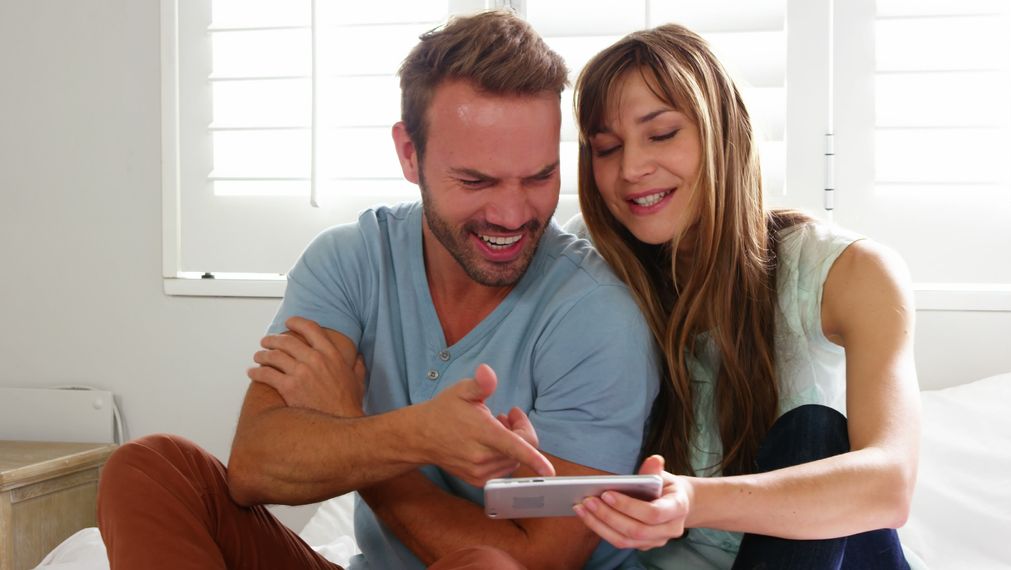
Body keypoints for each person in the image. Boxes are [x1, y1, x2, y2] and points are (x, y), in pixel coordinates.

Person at [96, 11, 659, 570]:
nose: (512, 214)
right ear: (409, 153)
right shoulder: (349, 261)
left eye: (539, 177)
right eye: (475, 180)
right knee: (152, 467)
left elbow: (540, 559)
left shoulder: (596, 313)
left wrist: (359, 426)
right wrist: (417, 435)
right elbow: (254, 468)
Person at [564, 24, 922, 569]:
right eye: (606, 148)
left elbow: (889, 484)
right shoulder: (589, 266)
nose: (631, 170)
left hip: (833, 556)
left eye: (660, 134)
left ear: (723, 133)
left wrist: (690, 501)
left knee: (815, 433)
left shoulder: (850, 272)